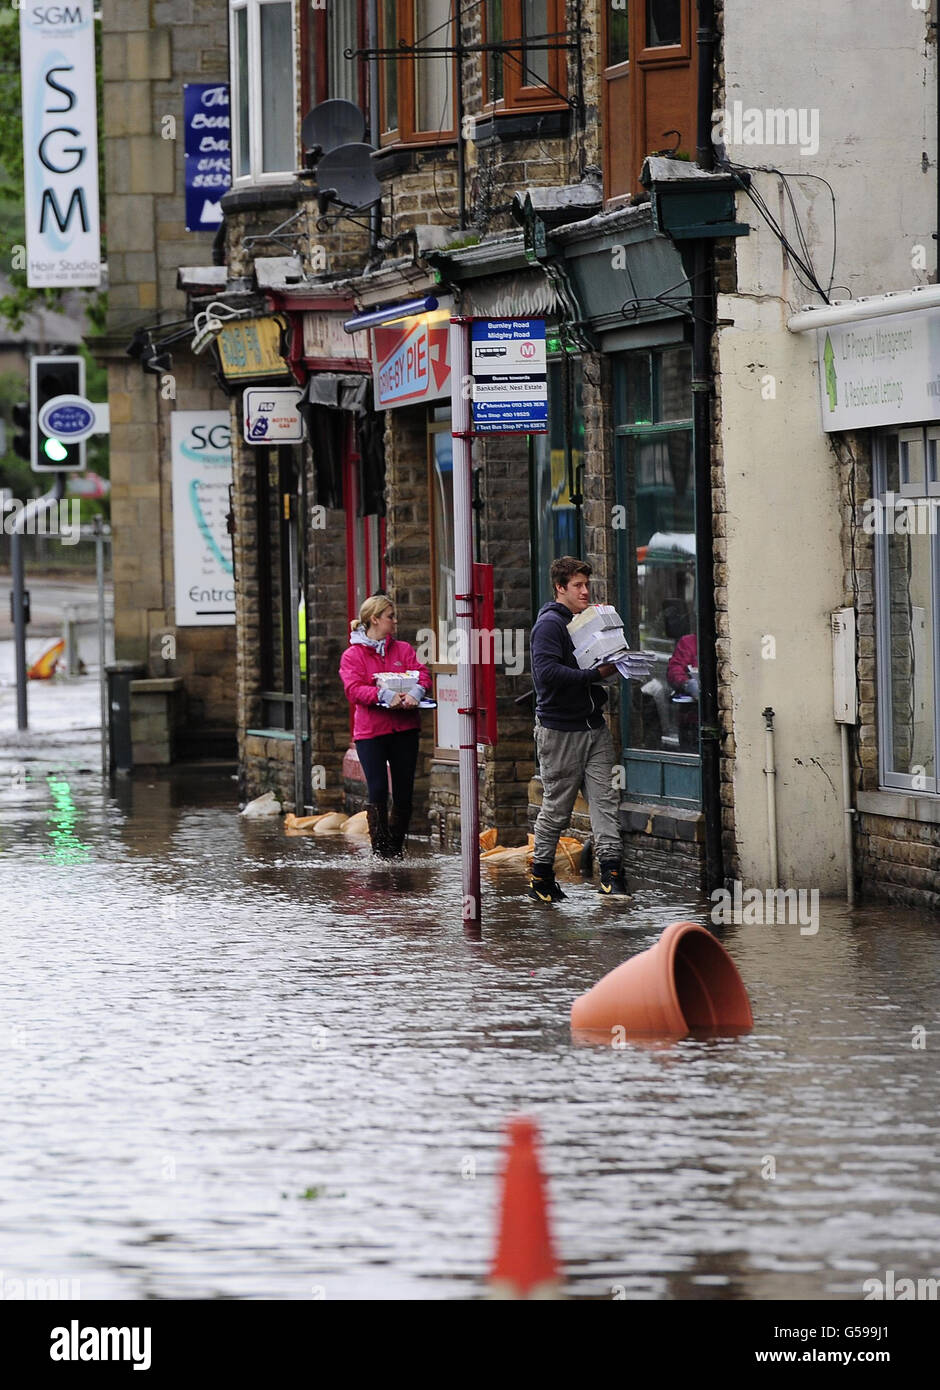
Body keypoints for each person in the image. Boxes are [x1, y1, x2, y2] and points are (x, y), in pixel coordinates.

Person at [528, 556, 629, 902]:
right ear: (560, 588)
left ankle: (612, 874)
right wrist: (594, 675)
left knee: (606, 801)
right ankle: (541, 876)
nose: (585, 591)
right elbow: (547, 674)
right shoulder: (549, 626)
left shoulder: (584, 621)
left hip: (593, 726)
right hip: (559, 730)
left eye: (587, 584)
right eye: (578, 586)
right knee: (557, 807)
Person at [339, 594, 432, 859]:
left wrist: (416, 691)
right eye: (390, 616)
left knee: (404, 791)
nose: (395, 621)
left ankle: (395, 849)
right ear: (374, 619)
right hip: (371, 732)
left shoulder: (402, 649)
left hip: (405, 729)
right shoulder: (352, 655)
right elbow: (353, 689)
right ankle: (381, 850)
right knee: (378, 789)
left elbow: (422, 673)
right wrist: (382, 695)